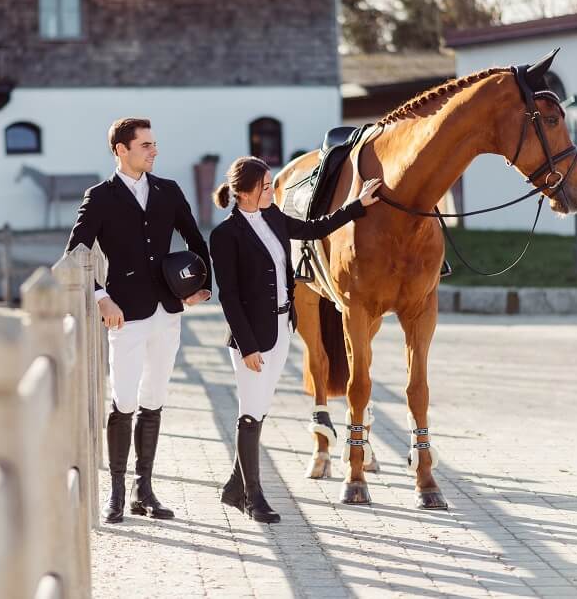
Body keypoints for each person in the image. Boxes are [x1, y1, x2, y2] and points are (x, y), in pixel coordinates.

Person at [209, 156, 381, 523]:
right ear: (244, 193)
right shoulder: (225, 236)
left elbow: (316, 229)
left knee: (260, 410)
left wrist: (357, 206)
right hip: (252, 339)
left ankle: (234, 486)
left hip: (282, 327)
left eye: (271, 183)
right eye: (266, 186)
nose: (272, 190)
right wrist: (248, 346)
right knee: (250, 415)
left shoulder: (273, 217)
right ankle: (252, 498)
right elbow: (229, 296)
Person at [65, 117, 212, 524]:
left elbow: (196, 239)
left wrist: (202, 287)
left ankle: (142, 490)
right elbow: (75, 253)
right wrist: (101, 297)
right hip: (124, 315)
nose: (154, 150)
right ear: (121, 150)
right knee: (124, 401)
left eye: (153, 144)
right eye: (146, 145)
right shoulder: (100, 197)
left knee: (154, 399)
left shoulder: (168, 190)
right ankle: (114, 492)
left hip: (169, 312)